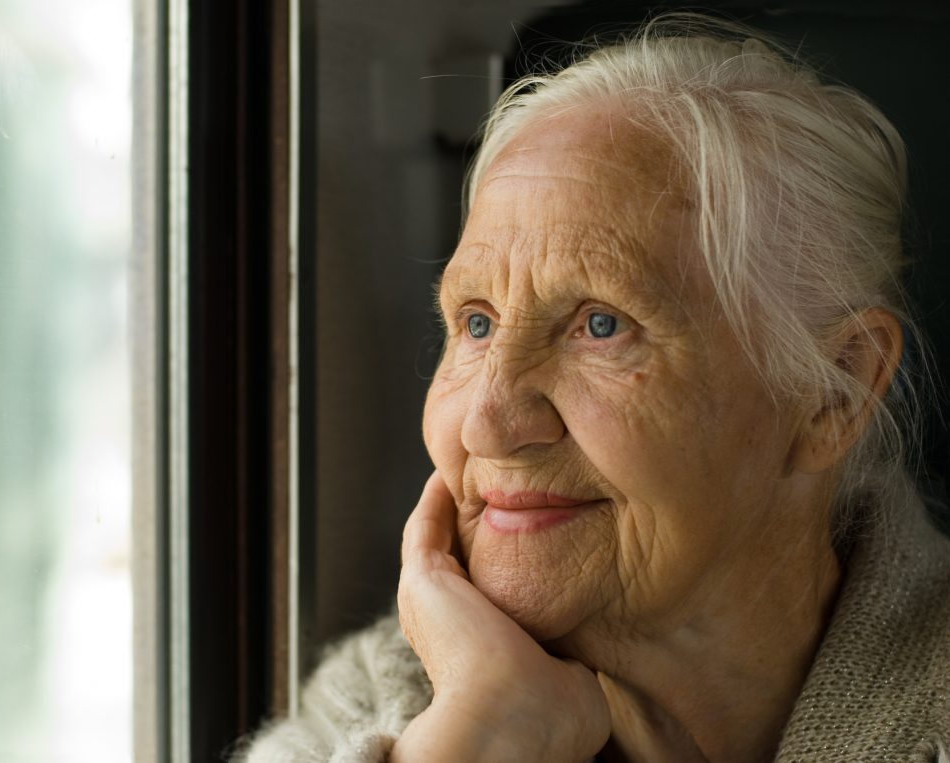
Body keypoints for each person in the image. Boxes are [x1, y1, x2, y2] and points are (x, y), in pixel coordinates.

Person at [234, 14, 950, 762]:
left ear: (835, 391)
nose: (487, 421)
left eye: (601, 325)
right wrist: (475, 738)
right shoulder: (380, 701)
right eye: (476, 324)